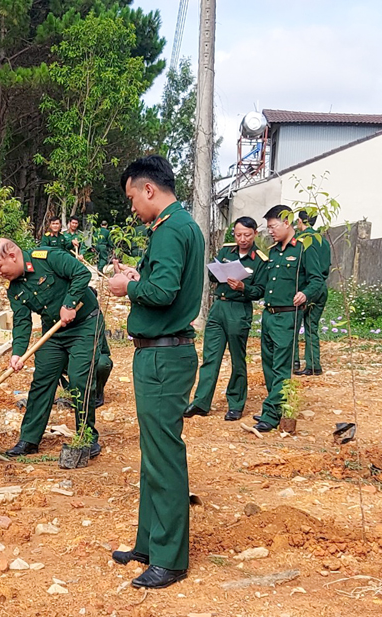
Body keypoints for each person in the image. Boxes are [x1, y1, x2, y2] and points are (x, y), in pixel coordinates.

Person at [107, 155, 204, 590]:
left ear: (149, 190)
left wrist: (127, 286)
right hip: (162, 354)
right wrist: (137, 275)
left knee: (164, 456)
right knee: (153, 454)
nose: (132, 208)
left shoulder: (170, 229)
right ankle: (149, 542)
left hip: (164, 358)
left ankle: (170, 557)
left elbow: (163, 292)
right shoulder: (179, 227)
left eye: (132, 198)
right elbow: (167, 282)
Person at [0, 238, 104, 458]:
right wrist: (18, 353)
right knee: (42, 380)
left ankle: (86, 438)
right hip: (54, 331)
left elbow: (82, 274)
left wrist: (69, 304)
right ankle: (29, 440)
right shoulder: (14, 289)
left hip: (85, 323)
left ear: (12, 256)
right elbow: (22, 322)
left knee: (80, 379)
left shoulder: (48, 258)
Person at [185, 217, 268, 421]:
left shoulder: (260, 259)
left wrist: (243, 287)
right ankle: (201, 402)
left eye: (247, 235)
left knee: (237, 359)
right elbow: (213, 275)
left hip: (238, 309)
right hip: (218, 308)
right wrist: (218, 272)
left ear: (255, 234)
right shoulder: (226, 251)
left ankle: (236, 403)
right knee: (210, 357)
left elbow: (260, 290)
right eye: (238, 234)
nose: (242, 239)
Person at [253, 205, 326, 433]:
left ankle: (271, 414)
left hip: (287, 316)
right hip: (269, 315)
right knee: (268, 366)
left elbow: (317, 280)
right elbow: (263, 284)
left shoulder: (305, 249)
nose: (270, 232)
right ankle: (276, 407)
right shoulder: (274, 252)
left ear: (287, 223)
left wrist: (305, 293)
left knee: (281, 367)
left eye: (273, 227)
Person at [293, 210, 331, 376]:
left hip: (306, 288)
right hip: (321, 287)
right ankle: (314, 364)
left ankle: (293, 361)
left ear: (300, 221)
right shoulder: (323, 240)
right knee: (311, 327)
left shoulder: (302, 240)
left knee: (293, 325)